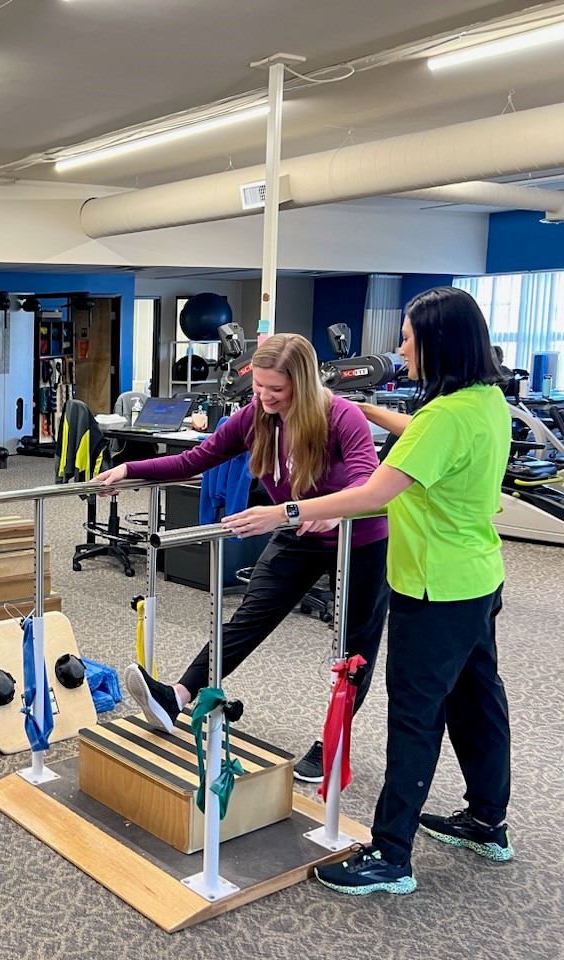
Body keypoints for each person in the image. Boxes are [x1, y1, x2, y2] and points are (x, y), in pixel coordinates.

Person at [224, 288, 513, 896]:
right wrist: (366, 408)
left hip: (432, 588)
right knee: (477, 699)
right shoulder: (484, 402)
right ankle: (488, 819)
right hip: (478, 578)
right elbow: (427, 437)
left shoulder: (445, 416)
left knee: (414, 716)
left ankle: (390, 855)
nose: (401, 346)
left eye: (408, 336)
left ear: (437, 342)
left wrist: (286, 513)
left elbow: (373, 494)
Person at [95, 333, 388, 781]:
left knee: (354, 648)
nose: (266, 398)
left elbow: (367, 486)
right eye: (259, 388)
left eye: (277, 389)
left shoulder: (340, 416)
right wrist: (132, 470)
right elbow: (196, 459)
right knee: (246, 620)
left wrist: (329, 513)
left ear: (304, 383)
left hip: (359, 539)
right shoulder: (256, 418)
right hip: (294, 533)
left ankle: (333, 742)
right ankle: (178, 695)